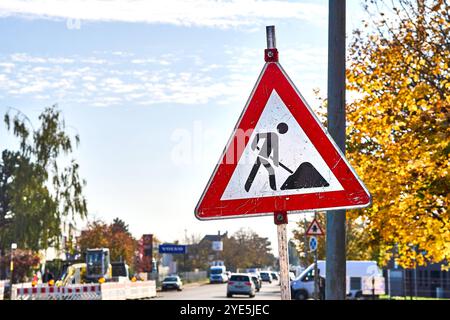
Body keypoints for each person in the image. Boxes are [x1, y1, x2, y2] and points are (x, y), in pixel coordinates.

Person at [245, 122, 289, 192]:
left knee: (255, 170)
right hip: (261, 156)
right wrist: (254, 146)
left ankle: (246, 187)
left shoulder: (275, 137)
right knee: (269, 170)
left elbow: (275, 150)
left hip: (264, 157)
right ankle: (273, 189)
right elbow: (258, 135)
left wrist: (275, 160)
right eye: (283, 130)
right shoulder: (271, 134)